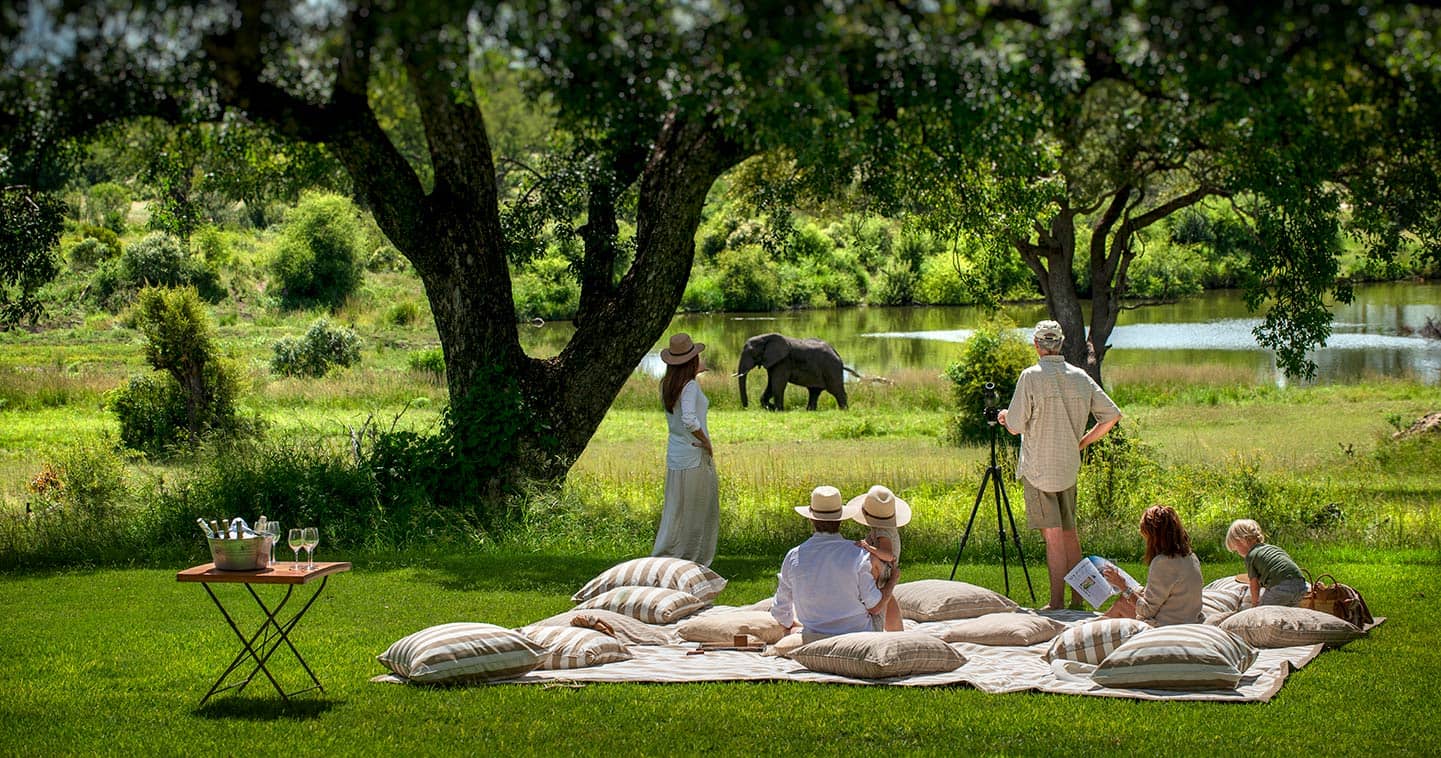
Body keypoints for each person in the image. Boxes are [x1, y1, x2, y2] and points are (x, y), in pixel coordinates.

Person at [998, 320, 1122, 610]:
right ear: (1061, 343)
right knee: (1069, 534)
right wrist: (1081, 443)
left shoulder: (1030, 376)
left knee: (1053, 537)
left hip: (1039, 469)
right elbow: (1112, 416)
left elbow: (1015, 426)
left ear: (1037, 345)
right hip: (1068, 467)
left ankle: (1056, 605)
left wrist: (1005, 417)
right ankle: (1079, 599)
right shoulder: (1080, 377)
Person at [771, 486, 897, 642]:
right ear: (841, 519)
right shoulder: (859, 554)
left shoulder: (793, 556)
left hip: (814, 635)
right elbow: (875, 606)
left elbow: (780, 612)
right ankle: (899, 636)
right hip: (858, 635)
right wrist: (891, 582)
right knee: (884, 590)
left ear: (811, 518)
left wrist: (793, 626)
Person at [652, 333, 719, 566]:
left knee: (676, 509)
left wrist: (695, 371)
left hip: (676, 453)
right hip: (694, 452)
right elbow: (690, 420)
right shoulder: (689, 386)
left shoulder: (669, 384)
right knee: (697, 509)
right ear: (691, 360)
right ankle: (692, 558)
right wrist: (707, 442)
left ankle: (668, 553)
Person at [1101, 505, 1204, 626]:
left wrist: (1123, 586)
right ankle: (1096, 623)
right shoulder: (1190, 557)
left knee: (1122, 604)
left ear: (1154, 537)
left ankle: (1091, 629)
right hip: (1190, 618)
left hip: (1168, 624)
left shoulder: (1163, 563)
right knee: (1131, 596)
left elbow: (1147, 611)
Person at [849, 484, 911, 632]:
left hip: (884, 568)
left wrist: (868, 547)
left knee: (880, 599)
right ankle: (897, 630)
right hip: (887, 569)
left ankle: (878, 627)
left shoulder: (882, 532)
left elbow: (888, 555)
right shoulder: (885, 529)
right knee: (888, 598)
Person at [1225, 518, 1306, 607]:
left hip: (1281, 587)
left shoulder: (1251, 556)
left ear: (1243, 540)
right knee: (1288, 613)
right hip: (1301, 585)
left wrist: (1255, 604)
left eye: (1236, 549)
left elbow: (1254, 584)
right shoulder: (1273, 548)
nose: (1238, 553)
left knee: (1263, 612)